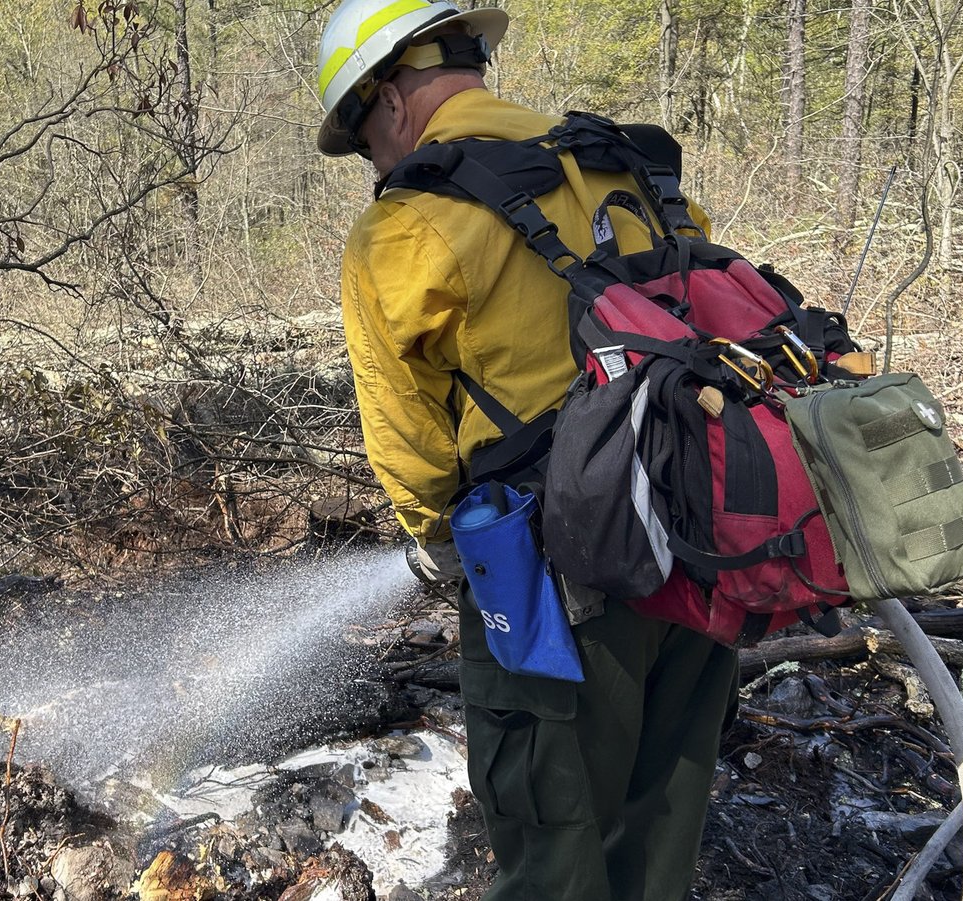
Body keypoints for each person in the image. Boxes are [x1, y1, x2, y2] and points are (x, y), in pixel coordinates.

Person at [315, 1, 739, 899]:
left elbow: (410, 442)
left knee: (554, 848)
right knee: (658, 836)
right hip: (700, 545)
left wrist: (438, 544)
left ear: (388, 99)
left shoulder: (405, 228)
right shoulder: (620, 163)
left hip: (557, 584)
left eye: (362, 140)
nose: (373, 165)